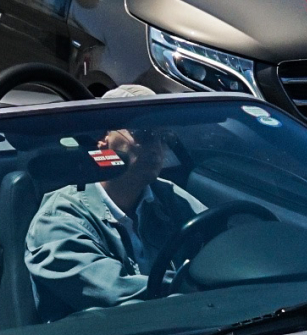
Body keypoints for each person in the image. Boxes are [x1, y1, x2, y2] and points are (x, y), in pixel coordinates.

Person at [23, 124, 207, 317]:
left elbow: (222, 236)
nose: (156, 147)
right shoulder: (58, 219)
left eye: (165, 137)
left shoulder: (167, 195)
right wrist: (196, 289)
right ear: (104, 139)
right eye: (144, 134)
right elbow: (112, 292)